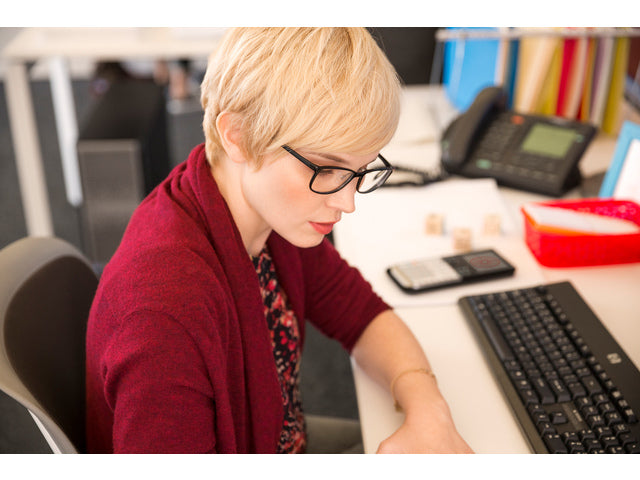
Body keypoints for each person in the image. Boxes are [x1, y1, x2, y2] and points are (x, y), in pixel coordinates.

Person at [85, 27, 473, 454]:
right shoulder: (162, 314)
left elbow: (362, 315)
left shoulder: (269, 214)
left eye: (360, 172)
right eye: (326, 168)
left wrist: (427, 407)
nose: (347, 202)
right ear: (237, 136)